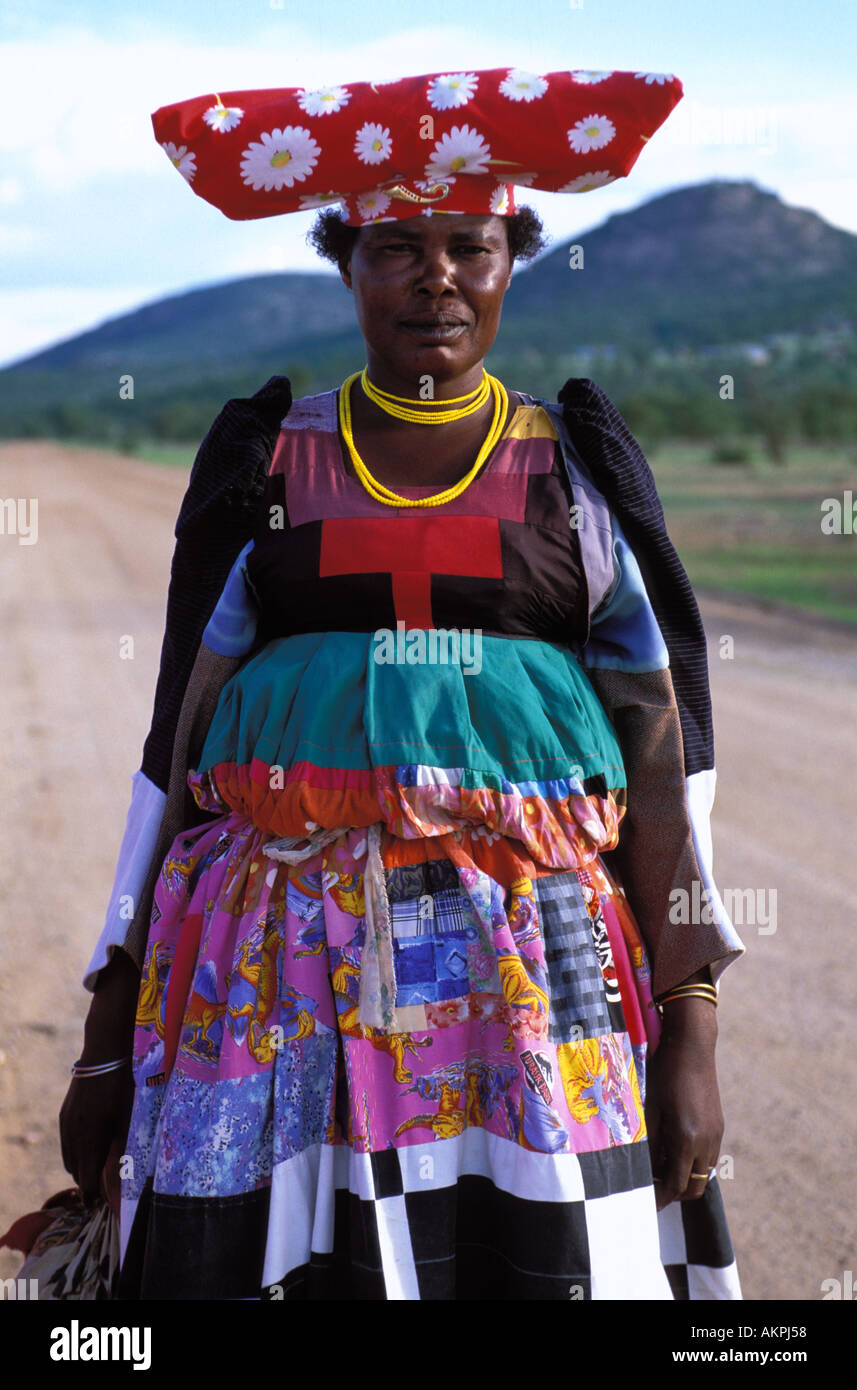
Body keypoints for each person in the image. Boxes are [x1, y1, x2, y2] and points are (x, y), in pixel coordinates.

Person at [60, 65, 743, 1300]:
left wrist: (691, 1022)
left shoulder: (569, 477)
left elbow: (659, 762)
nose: (436, 276)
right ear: (345, 265)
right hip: (272, 989)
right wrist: (109, 1032)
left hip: (532, 986)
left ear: (510, 263)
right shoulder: (270, 464)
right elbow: (176, 749)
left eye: (467, 246)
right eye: (396, 247)